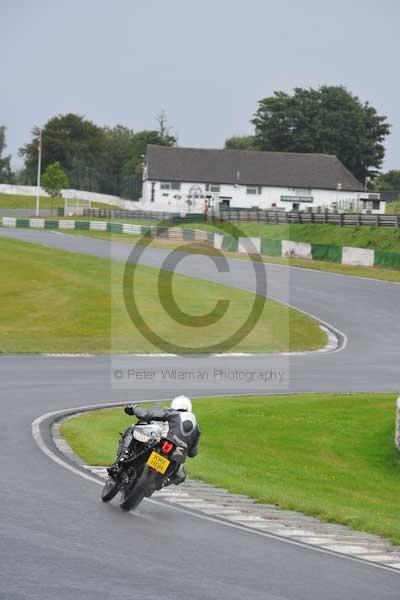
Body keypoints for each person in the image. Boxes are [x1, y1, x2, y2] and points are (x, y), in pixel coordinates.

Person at [108, 396, 200, 486]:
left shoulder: (173, 413)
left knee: (133, 430)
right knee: (181, 474)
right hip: (175, 461)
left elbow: (145, 415)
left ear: (175, 405)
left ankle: (124, 457)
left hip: (164, 448)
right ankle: (159, 484)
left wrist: (134, 407)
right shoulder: (196, 427)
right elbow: (192, 453)